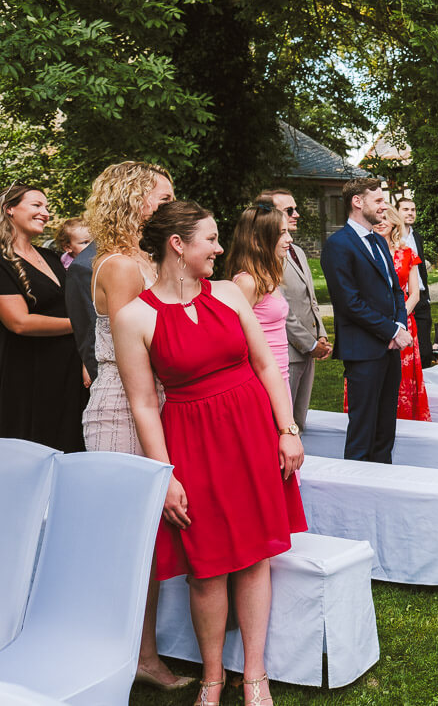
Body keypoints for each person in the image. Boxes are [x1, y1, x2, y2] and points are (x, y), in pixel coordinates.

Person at [113, 201, 307, 706]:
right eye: (211, 239)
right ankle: (214, 678)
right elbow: (143, 404)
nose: (220, 248)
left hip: (250, 432)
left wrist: (286, 429)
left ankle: (257, 676)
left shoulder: (227, 293)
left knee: (255, 556)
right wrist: (166, 476)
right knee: (207, 565)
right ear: (178, 245)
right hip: (192, 443)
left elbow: (266, 364)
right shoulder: (134, 316)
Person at [77, 162, 189, 692]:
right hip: (123, 408)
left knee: (151, 539)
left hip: (152, 400)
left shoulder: (142, 257)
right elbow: (129, 353)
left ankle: (144, 651)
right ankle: (132, 656)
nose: (169, 206)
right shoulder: (120, 265)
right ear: (132, 200)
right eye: (161, 198)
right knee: (131, 541)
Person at [320, 178, 411, 463]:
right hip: (363, 350)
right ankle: (355, 495)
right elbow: (350, 303)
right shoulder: (338, 245)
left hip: (389, 348)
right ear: (357, 202)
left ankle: (383, 487)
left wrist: (400, 325)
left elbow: (395, 289)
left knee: (386, 429)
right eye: (379, 201)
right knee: (362, 431)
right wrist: (392, 330)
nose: (385, 206)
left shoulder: (378, 241)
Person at [0, 184, 87, 452]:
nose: (45, 213)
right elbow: (19, 322)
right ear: (9, 209)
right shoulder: (2, 262)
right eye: (36, 205)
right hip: (28, 377)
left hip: (70, 376)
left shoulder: (51, 257)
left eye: (47, 207)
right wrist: (80, 327)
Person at [261, 188, 331, 430]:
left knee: (300, 420)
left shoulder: (297, 251)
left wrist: (320, 333)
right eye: (289, 210)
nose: (297, 214)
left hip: (308, 349)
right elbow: (281, 308)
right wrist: (309, 345)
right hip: (286, 353)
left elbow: (310, 298)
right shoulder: (266, 256)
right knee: (283, 423)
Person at [227, 204, 293, 390]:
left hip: (281, 376)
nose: (289, 239)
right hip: (261, 382)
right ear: (257, 239)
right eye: (282, 233)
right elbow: (233, 339)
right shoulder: (247, 283)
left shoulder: (267, 278)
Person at [380, 205, 430, 421]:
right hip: (376, 321)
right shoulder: (367, 251)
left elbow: (415, 294)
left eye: (385, 219)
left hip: (404, 321)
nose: (380, 222)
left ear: (394, 223)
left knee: (403, 376)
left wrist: (398, 320)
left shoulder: (408, 253)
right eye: (377, 219)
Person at [397, 196, 435, 366]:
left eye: (413, 210)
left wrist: (425, 294)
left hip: (421, 298)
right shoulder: (392, 239)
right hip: (403, 298)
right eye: (405, 209)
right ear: (396, 212)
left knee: (426, 350)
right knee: (406, 350)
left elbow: (421, 271)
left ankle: (424, 387)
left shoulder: (416, 237)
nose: (410, 213)